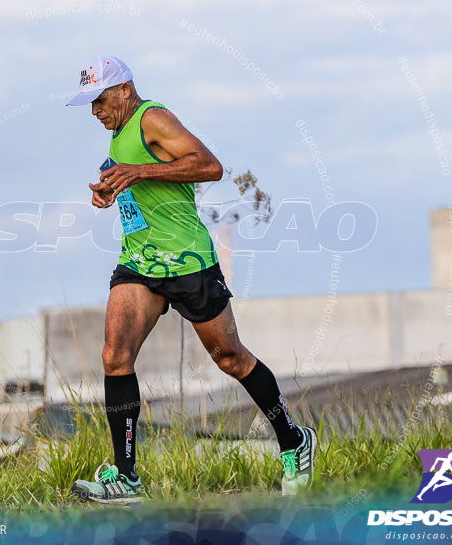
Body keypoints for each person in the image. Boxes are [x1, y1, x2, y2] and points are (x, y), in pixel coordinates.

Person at [64, 55, 317, 504]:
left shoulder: (153, 118)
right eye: (89, 103)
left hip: (187, 262)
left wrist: (139, 171)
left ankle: (293, 441)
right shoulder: (121, 134)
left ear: (123, 90)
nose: (95, 111)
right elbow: (139, 183)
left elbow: (209, 165)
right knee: (114, 356)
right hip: (140, 261)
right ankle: (127, 478)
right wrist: (112, 190)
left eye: (100, 99)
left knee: (230, 358)